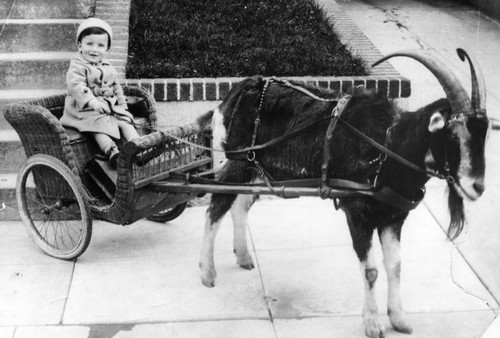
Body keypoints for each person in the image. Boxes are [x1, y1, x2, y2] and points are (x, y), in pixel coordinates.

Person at [60, 18, 140, 169]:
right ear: (80, 45)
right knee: (97, 126)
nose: (94, 50)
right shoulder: (77, 66)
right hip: (82, 111)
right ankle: (111, 151)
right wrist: (93, 103)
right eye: (89, 44)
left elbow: (117, 88)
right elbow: (77, 86)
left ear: (107, 49)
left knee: (125, 122)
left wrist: (123, 106)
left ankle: (139, 147)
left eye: (100, 45)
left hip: (106, 107)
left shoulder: (108, 67)